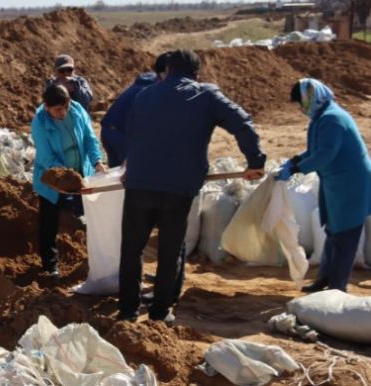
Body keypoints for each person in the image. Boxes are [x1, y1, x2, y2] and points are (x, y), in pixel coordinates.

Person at [119, 50, 266, 323]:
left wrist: (130, 168)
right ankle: (159, 314)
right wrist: (255, 160)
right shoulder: (206, 95)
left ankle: (127, 312)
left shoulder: (144, 96)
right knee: (170, 251)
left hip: (139, 184)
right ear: (197, 74)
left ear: (167, 70)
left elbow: (133, 134)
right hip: (178, 189)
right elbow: (241, 122)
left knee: (132, 249)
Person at [277, 78, 371, 293]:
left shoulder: (332, 119)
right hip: (335, 181)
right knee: (333, 231)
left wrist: (295, 169)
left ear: (311, 98)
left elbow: (325, 155)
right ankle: (324, 279)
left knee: (345, 235)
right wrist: (294, 161)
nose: (300, 109)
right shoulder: (321, 117)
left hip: (351, 182)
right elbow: (314, 151)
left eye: (301, 103)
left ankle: (337, 288)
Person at [32, 84, 106, 278]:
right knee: (49, 222)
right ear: (47, 107)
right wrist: (69, 181)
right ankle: (50, 266)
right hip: (52, 180)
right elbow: (47, 157)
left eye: (66, 107)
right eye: (58, 110)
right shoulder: (40, 123)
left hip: (81, 174)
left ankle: (95, 262)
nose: (63, 112)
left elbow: (90, 138)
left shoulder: (78, 110)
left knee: (91, 218)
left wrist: (97, 161)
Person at [101, 52, 171, 167]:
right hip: (122, 136)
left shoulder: (147, 81)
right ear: (166, 72)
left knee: (117, 177)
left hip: (108, 131)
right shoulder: (154, 90)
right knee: (134, 176)